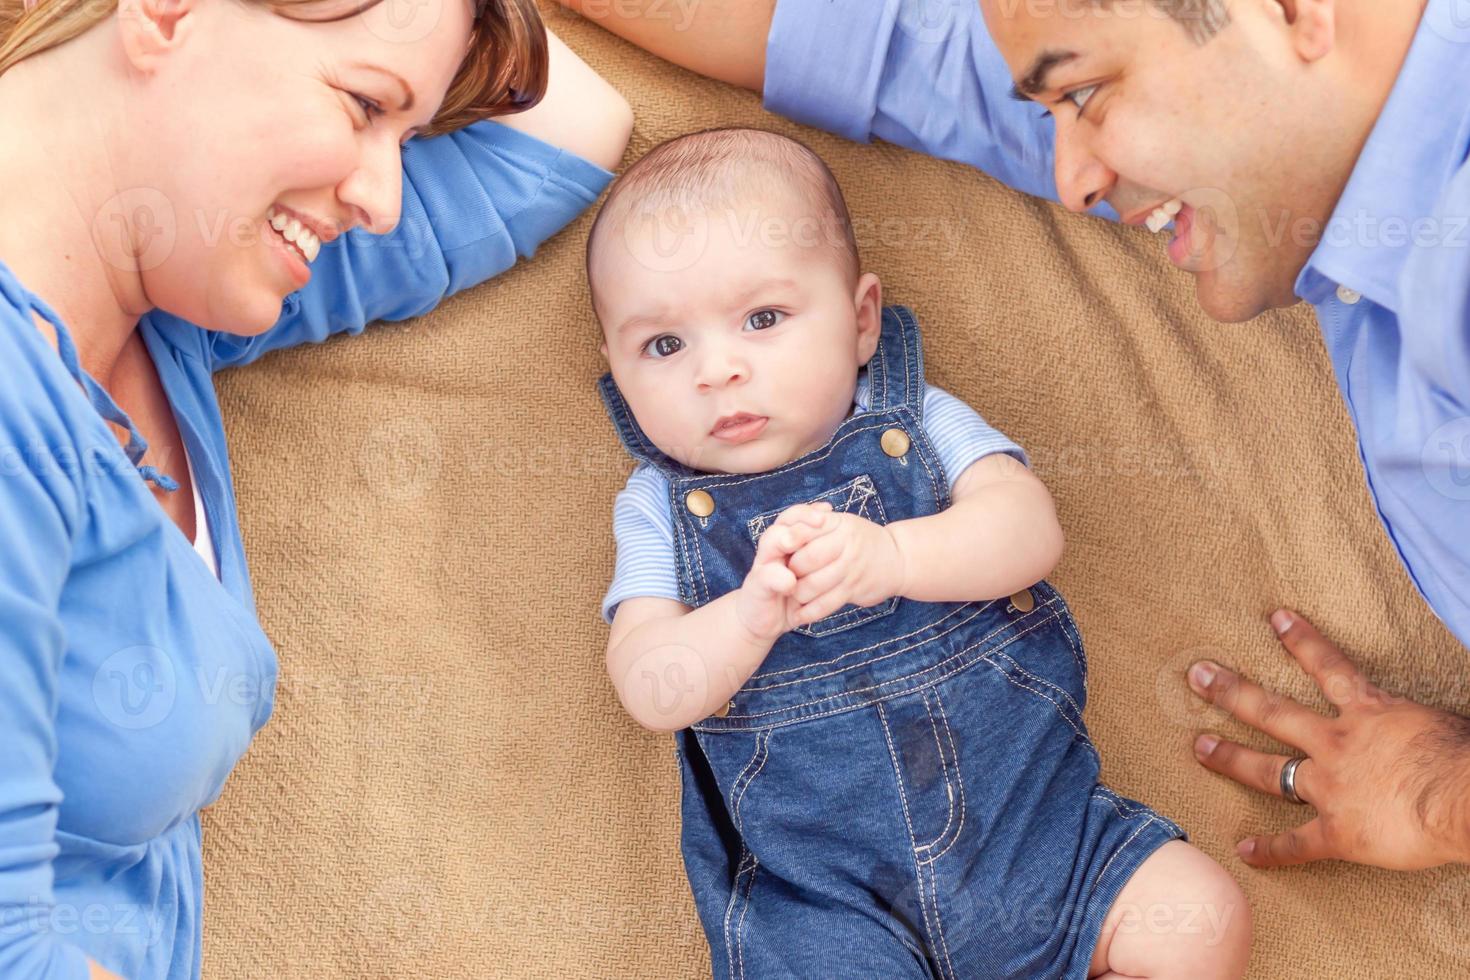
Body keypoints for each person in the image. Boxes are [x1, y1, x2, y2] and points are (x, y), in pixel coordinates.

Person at [557, 0, 1470, 873]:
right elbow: (891, 52)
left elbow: (1024, 528)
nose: (1073, 183)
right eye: (667, 345)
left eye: (1079, 95)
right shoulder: (1268, 153)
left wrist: (1442, 799)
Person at [0, 0, 632, 973]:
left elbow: (565, 127)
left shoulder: (172, 321)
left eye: (411, 135)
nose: (384, 196)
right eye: (363, 105)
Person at [592, 127, 1250, 979]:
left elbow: (1028, 533)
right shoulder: (657, 509)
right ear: (614, 371)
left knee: (1200, 916)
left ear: (862, 321)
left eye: (763, 318)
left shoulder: (921, 423)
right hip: (827, 904)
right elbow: (650, 684)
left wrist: (896, 557)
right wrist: (747, 618)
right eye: (664, 346)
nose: (717, 370)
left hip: (1036, 845)